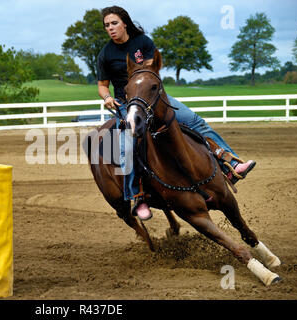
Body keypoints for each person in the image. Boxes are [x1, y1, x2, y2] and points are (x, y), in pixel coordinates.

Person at [96, 6, 256, 221]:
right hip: (127, 104)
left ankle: (231, 163)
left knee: (194, 121)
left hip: (154, 98)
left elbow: (151, 73)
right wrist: (106, 97)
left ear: (124, 22)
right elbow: (102, 85)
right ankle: (137, 196)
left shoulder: (142, 42)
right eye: (107, 25)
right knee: (128, 146)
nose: (110, 28)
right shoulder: (106, 53)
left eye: (114, 23)